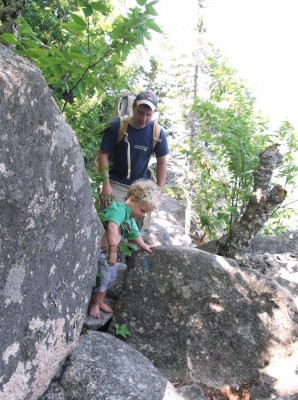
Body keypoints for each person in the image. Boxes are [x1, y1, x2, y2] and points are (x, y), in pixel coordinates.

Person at [89, 179, 161, 319]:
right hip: (101, 251)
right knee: (103, 278)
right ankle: (94, 303)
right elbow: (112, 226)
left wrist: (144, 246)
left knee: (111, 277)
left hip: (108, 252)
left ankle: (101, 301)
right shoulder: (119, 208)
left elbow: (135, 234)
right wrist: (114, 251)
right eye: (142, 210)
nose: (142, 214)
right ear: (132, 199)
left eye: (145, 213)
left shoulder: (130, 218)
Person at [97, 89, 169, 209]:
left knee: (133, 227)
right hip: (115, 183)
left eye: (148, 115)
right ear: (133, 106)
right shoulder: (118, 126)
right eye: (140, 113)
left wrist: (159, 190)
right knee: (111, 223)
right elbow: (103, 154)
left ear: (154, 112)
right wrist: (106, 184)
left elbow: (162, 163)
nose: (144, 119)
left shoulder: (157, 133)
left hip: (141, 188)